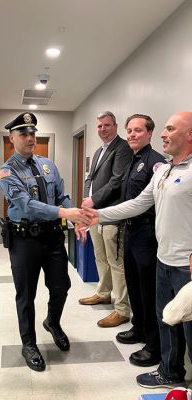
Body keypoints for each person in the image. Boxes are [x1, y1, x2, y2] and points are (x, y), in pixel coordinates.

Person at [81, 112, 192, 389]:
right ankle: (169, 372)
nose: (164, 134)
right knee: (165, 319)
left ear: (189, 135)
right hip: (163, 259)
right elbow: (137, 204)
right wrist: (98, 216)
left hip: (186, 265)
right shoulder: (164, 170)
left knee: (190, 328)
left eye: (169, 128)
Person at [0, 112, 89, 372]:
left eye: (33, 133)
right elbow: (25, 206)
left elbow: (62, 194)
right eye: (24, 134)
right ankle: (29, 343)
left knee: (61, 286)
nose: (30, 138)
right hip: (25, 241)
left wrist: (76, 218)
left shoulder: (48, 165)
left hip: (52, 238)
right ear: (12, 137)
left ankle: (53, 321)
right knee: (26, 294)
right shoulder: (7, 171)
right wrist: (65, 213)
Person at [115, 114, 165, 368]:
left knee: (148, 290)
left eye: (137, 130)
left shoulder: (156, 163)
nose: (132, 134)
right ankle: (138, 328)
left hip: (147, 234)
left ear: (149, 133)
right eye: (129, 130)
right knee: (133, 284)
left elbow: (147, 204)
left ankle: (153, 344)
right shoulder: (132, 161)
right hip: (131, 232)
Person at [78, 111, 133, 328]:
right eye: (99, 126)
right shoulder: (99, 150)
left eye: (107, 125)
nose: (103, 129)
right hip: (94, 215)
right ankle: (103, 293)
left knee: (116, 262)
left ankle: (122, 309)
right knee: (100, 258)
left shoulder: (122, 148)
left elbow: (117, 181)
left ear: (116, 126)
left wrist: (93, 200)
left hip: (111, 214)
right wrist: (86, 201)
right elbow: (90, 178)